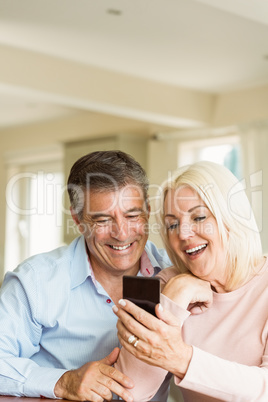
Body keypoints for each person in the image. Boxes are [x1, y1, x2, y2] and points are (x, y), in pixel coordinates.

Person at [0, 150, 172, 401]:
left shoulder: (174, 276)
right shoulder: (34, 282)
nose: (122, 234)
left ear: (147, 211)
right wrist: (63, 381)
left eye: (132, 215)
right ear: (79, 221)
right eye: (103, 220)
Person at [113, 160, 268, 401]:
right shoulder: (163, 284)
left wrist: (181, 359)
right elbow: (130, 390)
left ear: (231, 217)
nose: (183, 234)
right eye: (172, 224)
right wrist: (175, 297)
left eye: (198, 217)